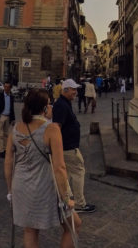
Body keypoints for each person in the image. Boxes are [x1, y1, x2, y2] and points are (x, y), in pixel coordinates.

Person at [4, 88, 81, 248]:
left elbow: (8, 163)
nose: (52, 108)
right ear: (45, 108)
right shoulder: (51, 129)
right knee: (74, 225)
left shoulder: (15, 128)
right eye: (50, 104)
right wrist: (66, 197)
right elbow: (59, 167)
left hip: (20, 186)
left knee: (30, 230)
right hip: (43, 186)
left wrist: (10, 190)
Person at [53, 79, 96, 213]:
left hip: (67, 147)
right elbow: (57, 128)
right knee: (78, 172)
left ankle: (68, 200)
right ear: (65, 90)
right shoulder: (61, 105)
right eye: (73, 89)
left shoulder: (64, 103)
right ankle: (78, 203)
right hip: (68, 147)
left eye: (76, 89)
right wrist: (57, 148)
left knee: (68, 174)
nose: (76, 92)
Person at [0, 81, 15, 158]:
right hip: (1, 116)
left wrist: (13, 118)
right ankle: (1, 150)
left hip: (8, 117)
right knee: (0, 134)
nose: (6, 88)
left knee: (6, 134)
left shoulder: (11, 97)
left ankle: (5, 149)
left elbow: (12, 109)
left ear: (10, 88)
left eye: (8, 87)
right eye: (5, 86)